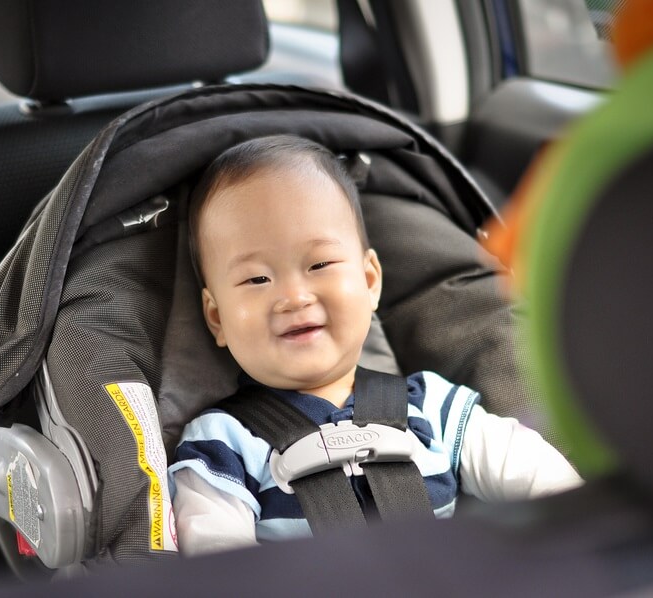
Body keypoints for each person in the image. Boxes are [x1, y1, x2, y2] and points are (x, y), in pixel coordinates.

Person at [168, 135, 582, 557]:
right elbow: (217, 561)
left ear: (369, 281)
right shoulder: (222, 443)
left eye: (319, 264)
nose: (293, 297)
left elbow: (540, 479)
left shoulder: (434, 408)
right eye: (257, 279)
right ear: (217, 317)